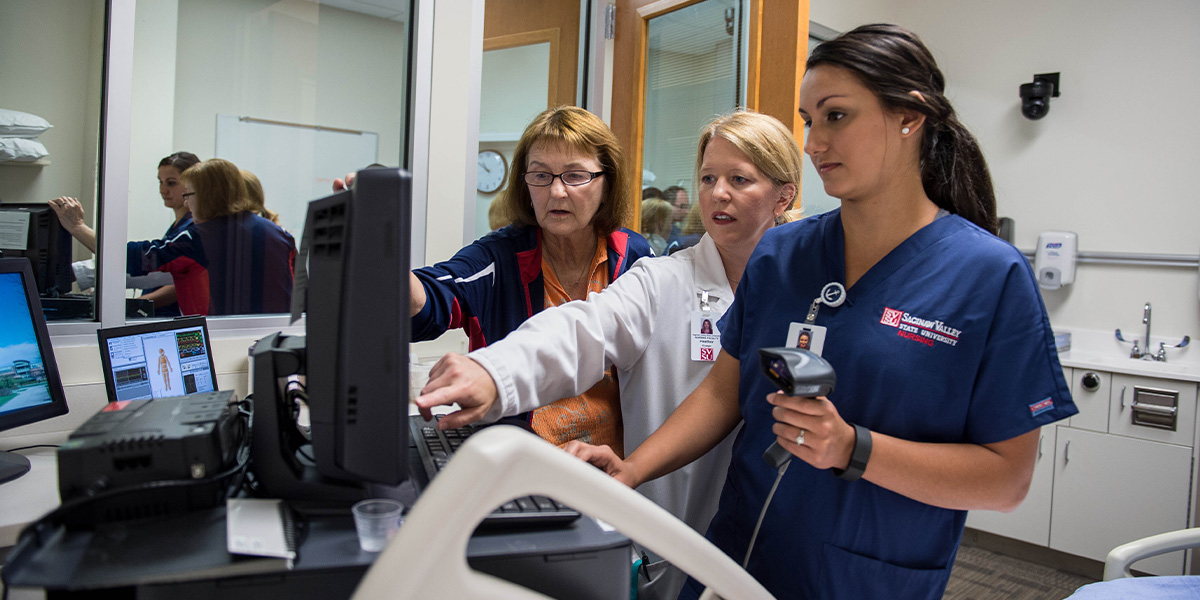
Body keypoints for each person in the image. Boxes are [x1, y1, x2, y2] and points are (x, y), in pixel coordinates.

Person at [563, 24, 1078, 600]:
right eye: (809, 121)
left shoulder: (989, 276)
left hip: (869, 577)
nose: (812, 143)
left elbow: (1007, 479)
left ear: (910, 116)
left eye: (836, 116)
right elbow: (722, 393)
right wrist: (633, 469)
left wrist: (853, 448)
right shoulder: (784, 254)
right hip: (738, 560)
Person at [415, 109, 801, 600]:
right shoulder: (662, 280)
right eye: (707, 177)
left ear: (784, 194)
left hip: (780, 535)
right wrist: (493, 370)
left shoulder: (810, 287)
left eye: (738, 179)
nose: (717, 193)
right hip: (672, 532)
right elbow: (582, 329)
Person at [402, 105, 653, 453]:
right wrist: (385, 251)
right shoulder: (498, 257)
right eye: (540, 176)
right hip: (521, 465)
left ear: (606, 184)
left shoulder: (634, 256)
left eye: (575, 175)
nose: (556, 192)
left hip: (617, 468)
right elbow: (429, 302)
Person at [127, 158, 296, 315]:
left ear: (207, 196)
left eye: (188, 194)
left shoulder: (198, 237)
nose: (186, 203)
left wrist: (103, 243)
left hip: (217, 337)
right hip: (276, 337)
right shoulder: (280, 234)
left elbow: (142, 256)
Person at [49, 151, 202, 316]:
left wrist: (78, 227)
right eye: (160, 182)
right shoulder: (180, 229)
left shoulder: (194, 233)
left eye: (171, 183)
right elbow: (148, 269)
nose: (163, 190)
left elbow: (144, 262)